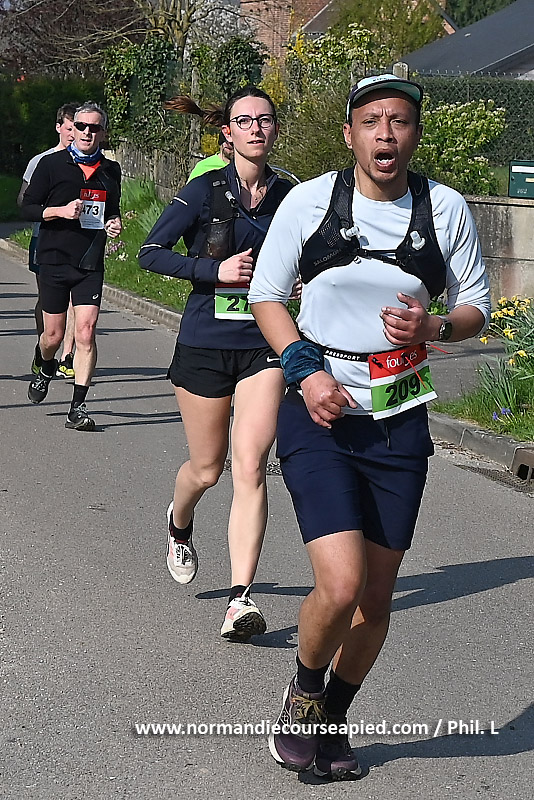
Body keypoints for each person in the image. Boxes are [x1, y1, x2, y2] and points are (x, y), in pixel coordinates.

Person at [249, 74, 491, 779]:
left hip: (399, 416)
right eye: (372, 120)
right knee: (342, 583)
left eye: (400, 120)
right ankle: (303, 695)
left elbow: (475, 307)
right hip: (319, 409)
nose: (386, 133)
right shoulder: (310, 202)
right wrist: (304, 370)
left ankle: (333, 717)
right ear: (349, 133)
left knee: (377, 599)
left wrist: (434, 326)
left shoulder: (443, 208)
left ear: (415, 134)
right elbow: (267, 295)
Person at [139, 86, 293, 641]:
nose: (256, 128)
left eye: (265, 119)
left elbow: (319, 255)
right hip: (205, 342)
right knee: (208, 469)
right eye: (244, 120)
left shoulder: (292, 194)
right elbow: (149, 254)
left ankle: (239, 600)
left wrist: (305, 281)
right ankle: (179, 522)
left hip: (264, 344)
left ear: (275, 129)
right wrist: (215, 271)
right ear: (227, 132)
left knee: (251, 465)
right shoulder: (204, 190)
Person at [21, 101, 122, 431]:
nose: (87, 133)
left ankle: (77, 408)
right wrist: (59, 212)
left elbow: (112, 209)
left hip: (89, 261)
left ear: (103, 133)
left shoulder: (111, 170)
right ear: (72, 129)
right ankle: (45, 364)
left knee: (86, 331)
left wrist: (114, 222)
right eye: (81, 126)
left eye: (94, 127)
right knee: (52, 336)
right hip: (54, 258)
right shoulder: (51, 165)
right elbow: (27, 208)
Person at [17, 103, 78, 379]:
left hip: (78, 241)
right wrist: (54, 208)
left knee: (75, 302)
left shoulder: (89, 164)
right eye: (70, 128)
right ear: (58, 128)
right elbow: (24, 201)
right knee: (49, 299)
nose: (74, 134)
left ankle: (67, 356)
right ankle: (45, 348)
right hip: (45, 238)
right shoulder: (41, 162)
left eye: (78, 128)